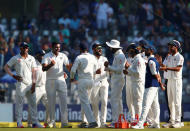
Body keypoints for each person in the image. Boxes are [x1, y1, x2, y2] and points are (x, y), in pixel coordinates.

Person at [4, 42, 43, 128]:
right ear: (20, 48)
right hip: (21, 83)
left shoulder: (32, 58)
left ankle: (35, 122)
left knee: (33, 103)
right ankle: (19, 123)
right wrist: (13, 75)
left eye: (27, 47)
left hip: (30, 84)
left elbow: (34, 72)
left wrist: (34, 83)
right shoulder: (16, 58)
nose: (26, 49)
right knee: (19, 103)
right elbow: (6, 67)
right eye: (24, 47)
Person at [132, 45, 165, 129]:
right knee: (155, 105)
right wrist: (160, 84)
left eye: (146, 49)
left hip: (150, 85)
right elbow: (157, 74)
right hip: (154, 86)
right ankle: (156, 123)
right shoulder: (153, 61)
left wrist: (161, 84)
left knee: (145, 105)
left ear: (151, 50)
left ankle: (140, 124)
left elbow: (155, 74)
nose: (144, 51)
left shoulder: (151, 61)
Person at [42, 42, 72, 128]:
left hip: (61, 80)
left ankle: (64, 123)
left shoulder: (63, 55)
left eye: (59, 47)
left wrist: (70, 71)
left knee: (64, 102)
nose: (58, 49)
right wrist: (51, 64)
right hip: (50, 81)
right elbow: (43, 68)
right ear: (52, 47)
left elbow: (68, 66)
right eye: (56, 47)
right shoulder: (47, 56)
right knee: (51, 102)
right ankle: (52, 122)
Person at [70, 43, 99, 128]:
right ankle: (84, 121)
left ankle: (92, 121)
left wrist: (71, 78)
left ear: (80, 49)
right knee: (85, 102)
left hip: (82, 81)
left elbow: (72, 70)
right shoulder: (92, 57)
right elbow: (96, 69)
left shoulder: (79, 57)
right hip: (91, 81)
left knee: (85, 102)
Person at [159, 40, 184, 128]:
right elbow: (164, 68)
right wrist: (160, 62)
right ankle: (171, 121)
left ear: (176, 47)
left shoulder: (180, 57)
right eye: (169, 46)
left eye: (171, 46)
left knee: (177, 102)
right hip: (169, 80)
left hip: (176, 81)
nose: (169, 47)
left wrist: (166, 67)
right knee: (170, 102)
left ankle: (178, 121)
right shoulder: (168, 57)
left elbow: (178, 69)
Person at [104, 39, 126, 127]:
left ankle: (115, 121)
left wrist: (108, 67)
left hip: (118, 80)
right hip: (116, 80)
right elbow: (116, 69)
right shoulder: (118, 55)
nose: (110, 49)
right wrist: (109, 69)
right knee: (118, 101)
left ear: (114, 47)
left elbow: (120, 70)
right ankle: (119, 120)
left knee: (114, 100)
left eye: (111, 47)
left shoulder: (120, 55)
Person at [123, 43, 146, 122]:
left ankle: (139, 121)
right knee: (135, 102)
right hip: (135, 82)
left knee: (138, 103)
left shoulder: (139, 60)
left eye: (130, 52)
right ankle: (136, 120)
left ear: (133, 51)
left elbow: (138, 73)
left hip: (138, 83)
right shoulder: (136, 59)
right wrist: (127, 73)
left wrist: (128, 67)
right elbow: (134, 73)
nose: (129, 54)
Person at [28, 50, 50, 128]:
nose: (42, 57)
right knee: (33, 105)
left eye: (43, 55)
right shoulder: (33, 63)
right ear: (36, 55)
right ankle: (30, 123)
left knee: (49, 105)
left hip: (44, 87)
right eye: (41, 55)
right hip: (36, 87)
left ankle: (46, 123)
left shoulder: (45, 63)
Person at [90, 43, 109, 128]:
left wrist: (109, 69)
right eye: (98, 48)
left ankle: (103, 122)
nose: (100, 50)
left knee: (104, 102)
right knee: (95, 103)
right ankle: (96, 122)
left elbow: (108, 71)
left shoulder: (104, 58)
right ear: (93, 49)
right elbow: (86, 72)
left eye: (101, 48)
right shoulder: (90, 59)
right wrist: (94, 72)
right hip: (94, 82)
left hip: (104, 82)